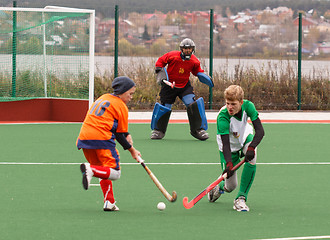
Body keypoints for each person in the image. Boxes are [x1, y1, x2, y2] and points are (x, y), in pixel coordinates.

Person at [77, 76, 141, 211]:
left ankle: (109, 202)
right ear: (123, 92)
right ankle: (91, 170)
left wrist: (127, 134)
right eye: (130, 94)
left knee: (103, 169)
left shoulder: (103, 97)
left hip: (84, 138)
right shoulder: (121, 106)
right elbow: (118, 135)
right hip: (102, 139)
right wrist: (132, 150)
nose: (131, 97)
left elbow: (119, 129)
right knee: (115, 172)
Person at [208, 85, 265, 212]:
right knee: (231, 186)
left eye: (233, 104)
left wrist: (251, 147)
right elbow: (226, 144)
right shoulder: (223, 117)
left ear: (241, 102)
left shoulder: (248, 106)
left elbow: (260, 131)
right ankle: (219, 187)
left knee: (253, 155)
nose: (230, 107)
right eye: (227, 103)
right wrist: (229, 164)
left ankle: (241, 199)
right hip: (229, 147)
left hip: (244, 137)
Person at [150, 38, 214, 141]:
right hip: (169, 86)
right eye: (185, 49)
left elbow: (197, 71)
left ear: (193, 49)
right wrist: (160, 72)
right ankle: (158, 131)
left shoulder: (194, 61)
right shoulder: (172, 56)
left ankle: (198, 130)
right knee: (165, 107)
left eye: (190, 49)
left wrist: (204, 76)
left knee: (192, 104)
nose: (188, 51)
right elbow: (160, 62)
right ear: (181, 49)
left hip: (184, 86)